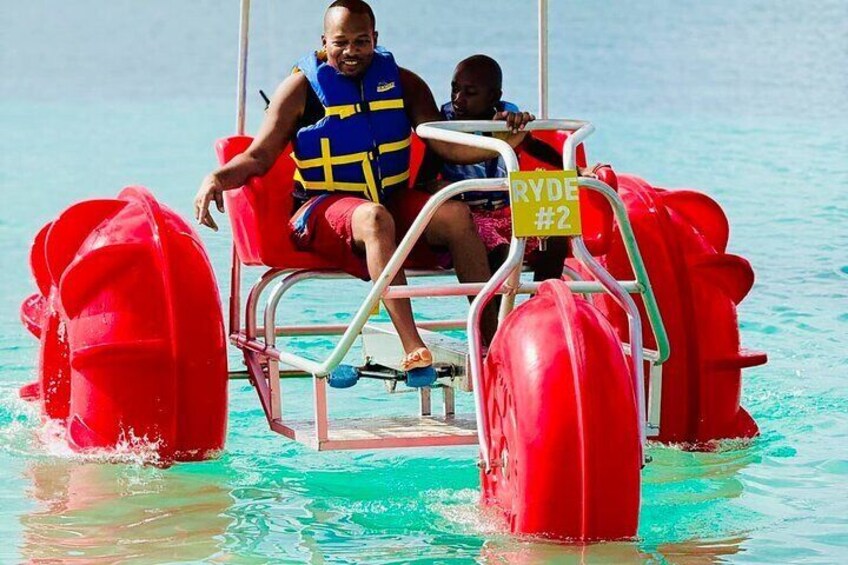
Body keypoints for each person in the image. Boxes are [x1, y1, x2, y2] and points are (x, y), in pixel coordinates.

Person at [194, 1, 532, 379]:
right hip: (322, 210)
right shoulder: (300, 90)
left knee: (454, 213)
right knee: (374, 218)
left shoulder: (405, 83)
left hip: (388, 199)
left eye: (361, 41)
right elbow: (258, 157)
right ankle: (413, 346)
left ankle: (492, 342)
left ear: (375, 39)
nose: (351, 52)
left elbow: (447, 145)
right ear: (324, 42)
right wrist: (217, 179)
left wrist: (509, 138)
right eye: (341, 43)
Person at [415, 55, 610, 280]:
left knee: (554, 238)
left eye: (470, 93)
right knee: (500, 251)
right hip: (468, 221)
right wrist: (441, 187)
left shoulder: (508, 121)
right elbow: (424, 179)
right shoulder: (445, 127)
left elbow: (535, 147)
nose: (458, 99)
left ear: (493, 97)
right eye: (454, 89)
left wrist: (577, 170)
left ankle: (539, 305)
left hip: (505, 212)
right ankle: (494, 314)